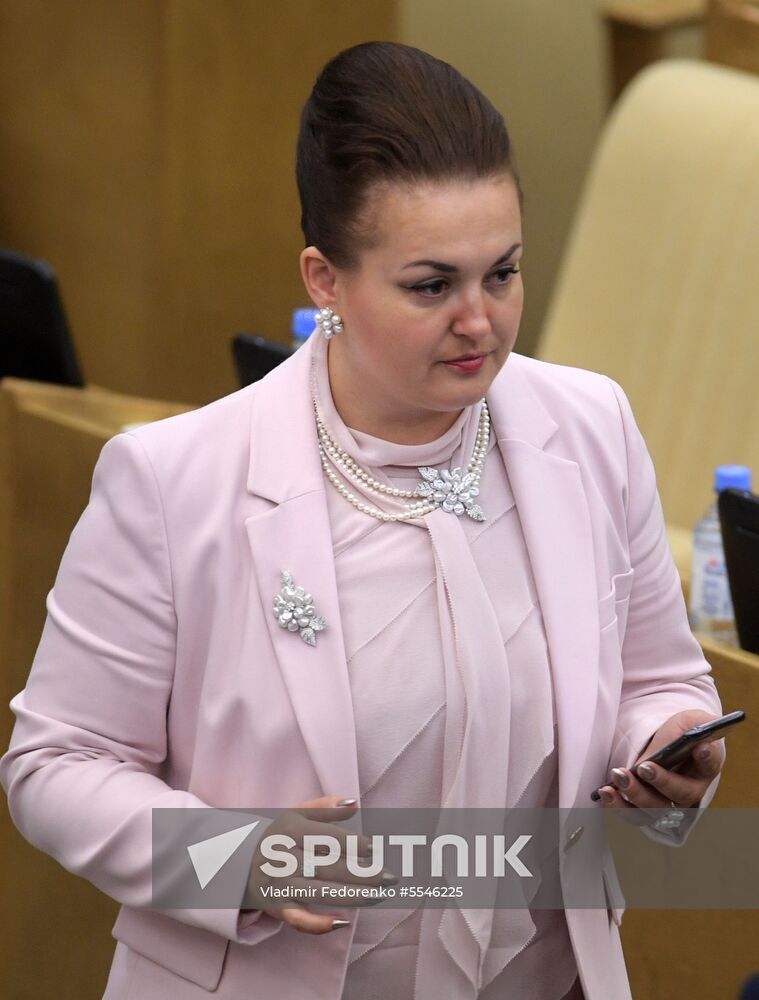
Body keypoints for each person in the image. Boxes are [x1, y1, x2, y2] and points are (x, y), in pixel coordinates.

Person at [0, 41, 724, 1000]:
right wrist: (240, 859)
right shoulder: (175, 481)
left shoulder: (588, 428)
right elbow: (54, 767)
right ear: (323, 280)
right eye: (431, 286)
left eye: (502, 273)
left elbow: (656, 677)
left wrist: (669, 743)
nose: (481, 321)